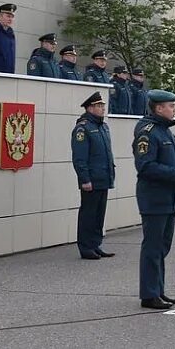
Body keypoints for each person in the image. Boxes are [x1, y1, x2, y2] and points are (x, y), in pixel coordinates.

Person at [134, 90, 175, 309]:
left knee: (162, 247)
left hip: (168, 197)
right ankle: (149, 294)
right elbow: (146, 166)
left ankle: (158, 289)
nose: (174, 109)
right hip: (154, 198)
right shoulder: (148, 132)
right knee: (153, 247)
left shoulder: (165, 131)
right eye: (171, 106)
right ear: (159, 108)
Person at [71, 91, 115, 260]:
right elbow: (79, 158)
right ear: (89, 108)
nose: (102, 108)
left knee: (99, 214)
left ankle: (96, 244)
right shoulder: (83, 128)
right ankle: (85, 246)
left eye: (103, 106)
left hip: (103, 177)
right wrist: (85, 179)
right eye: (98, 106)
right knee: (88, 214)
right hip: (91, 179)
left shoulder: (103, 126)